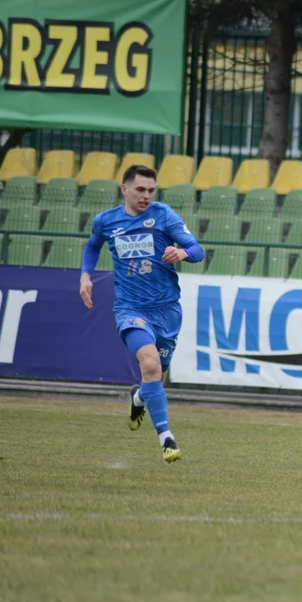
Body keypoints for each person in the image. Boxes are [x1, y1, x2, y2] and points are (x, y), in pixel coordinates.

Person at [79, 164, 204, 462]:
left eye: (151, 190)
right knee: (149, 364)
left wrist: (183, 253)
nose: (146, 196)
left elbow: (198, 250)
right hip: (130, 309)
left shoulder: (164, 216)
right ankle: (167, 439)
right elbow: (93, 246)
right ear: (124, 189)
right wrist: (85, 275)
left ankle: (138, 398)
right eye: (140, 190)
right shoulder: (106, 221)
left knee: (156, 377)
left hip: (167, 310)